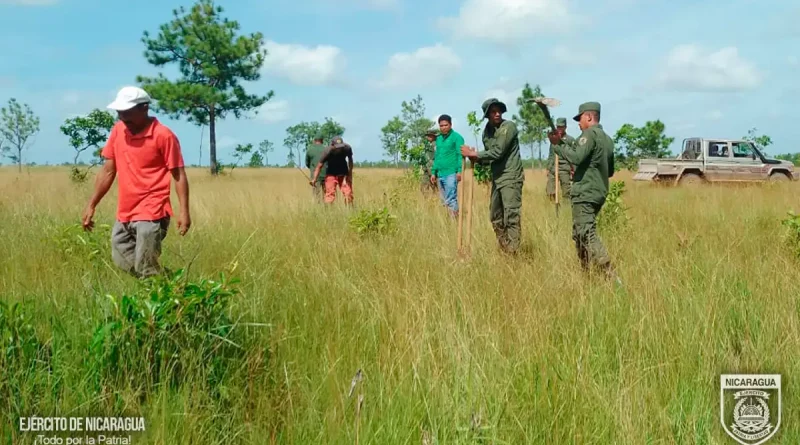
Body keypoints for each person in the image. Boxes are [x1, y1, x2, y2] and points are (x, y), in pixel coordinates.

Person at [81, 86, 191, 278]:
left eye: (127, 112)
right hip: (125, 211)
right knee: (123, 260)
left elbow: (178, 174)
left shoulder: (164, 135)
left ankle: (170, 300)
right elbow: (108, 171)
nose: (122, 117)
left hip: (152, 210)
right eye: (119, 112)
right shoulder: (118, 131)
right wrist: (92, 205)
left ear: (144, 108)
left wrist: (184, 212)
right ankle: (173, 285)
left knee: (145, 267)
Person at [549, 101, 618, 281]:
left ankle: (610, 274)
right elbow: (609, 171)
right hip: (599, 192)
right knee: (579, 233)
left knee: (586, 232)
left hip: (585, 192)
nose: (578, 124)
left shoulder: (588, 135)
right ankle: (586, 275)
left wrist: (557, 145)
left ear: (588, 117)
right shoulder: (608, 139)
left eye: (579, 119)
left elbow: (577, 157)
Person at [460, 98, 524, 254]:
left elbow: (498, 151)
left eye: (499, 111)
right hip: (497, 177)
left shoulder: (508, 127)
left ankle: (513, 252)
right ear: (487, 114)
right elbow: (490, 158)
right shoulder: (486, 132)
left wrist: (476, 154)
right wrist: (475, 158)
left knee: (511, 216)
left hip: (511, 176)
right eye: (493, 111)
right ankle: (504, 248)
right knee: (495, 216)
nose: (497, 114)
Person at [430, 114, 464, 218]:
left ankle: (455, 222)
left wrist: (459, 171)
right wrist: (433, 172)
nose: (443, 127)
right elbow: (437, 156)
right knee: (443, 200)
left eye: (446, 125)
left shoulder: (457, 138)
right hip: (440, 173)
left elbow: (460, 155)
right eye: (441, 126)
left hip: (451, 173)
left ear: (450, 125)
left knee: (451, 198)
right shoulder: (439, 139)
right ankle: (448, 221)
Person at [310, 135, 353, 205]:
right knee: (330, 195)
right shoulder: (327, 151)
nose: (339, 148)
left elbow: (350, 160)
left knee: (348, 193)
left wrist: (350, 174)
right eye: (337, 146)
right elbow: (319, 166)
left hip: (343, 173)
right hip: (331, 174)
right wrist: (314, 179)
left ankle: (349, 209)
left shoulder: (347, 148)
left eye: (340, 146)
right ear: (332, 145)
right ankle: (328, 211)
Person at [546, 117, 575, 201]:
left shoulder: (570, 140)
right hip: (553, 168)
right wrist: (548, 167)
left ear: (565, 127)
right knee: (550, 191)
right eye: (558, 127)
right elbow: (551, 154)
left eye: (561, 127)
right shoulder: (553, 138)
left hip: (565, 168)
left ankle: (566, 210)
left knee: (566, 192)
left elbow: (574, 156)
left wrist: (573, 169)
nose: (559, 129)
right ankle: (552, 208)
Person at [305, 134, 327, 202]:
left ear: (314, 140)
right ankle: (327, 209)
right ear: (322, 140)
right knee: (327, 195)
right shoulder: (326, 149)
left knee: (316, 194)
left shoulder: (309, 150)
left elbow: (307, 163)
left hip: (315, 177)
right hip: (327, 175)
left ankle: (318, 209)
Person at [421, 130, 438, 195]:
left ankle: (435, 202)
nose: (428, 137)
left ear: (433, 136)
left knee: (435, 187)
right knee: (424, 186)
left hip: (432, 169)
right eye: (427, 136)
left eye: (430, 136)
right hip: (427, 169)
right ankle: (427, 202)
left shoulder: (435, 145)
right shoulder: (427, 144)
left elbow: (437, 157)